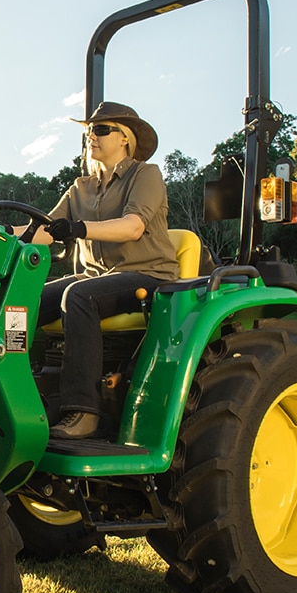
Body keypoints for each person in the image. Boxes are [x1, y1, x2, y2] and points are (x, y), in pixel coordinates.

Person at [30, 101, 180, 439]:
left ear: (125, 138)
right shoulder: (80, 187)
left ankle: (83, 412)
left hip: (150, 276)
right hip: (99, 277)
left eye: (100, 130)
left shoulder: (146, 175)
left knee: (79, 296)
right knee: (26, 299)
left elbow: (132, 227)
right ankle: (25, 397)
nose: (91, 137)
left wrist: (79, 228)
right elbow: (43, 231)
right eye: (87, 132)